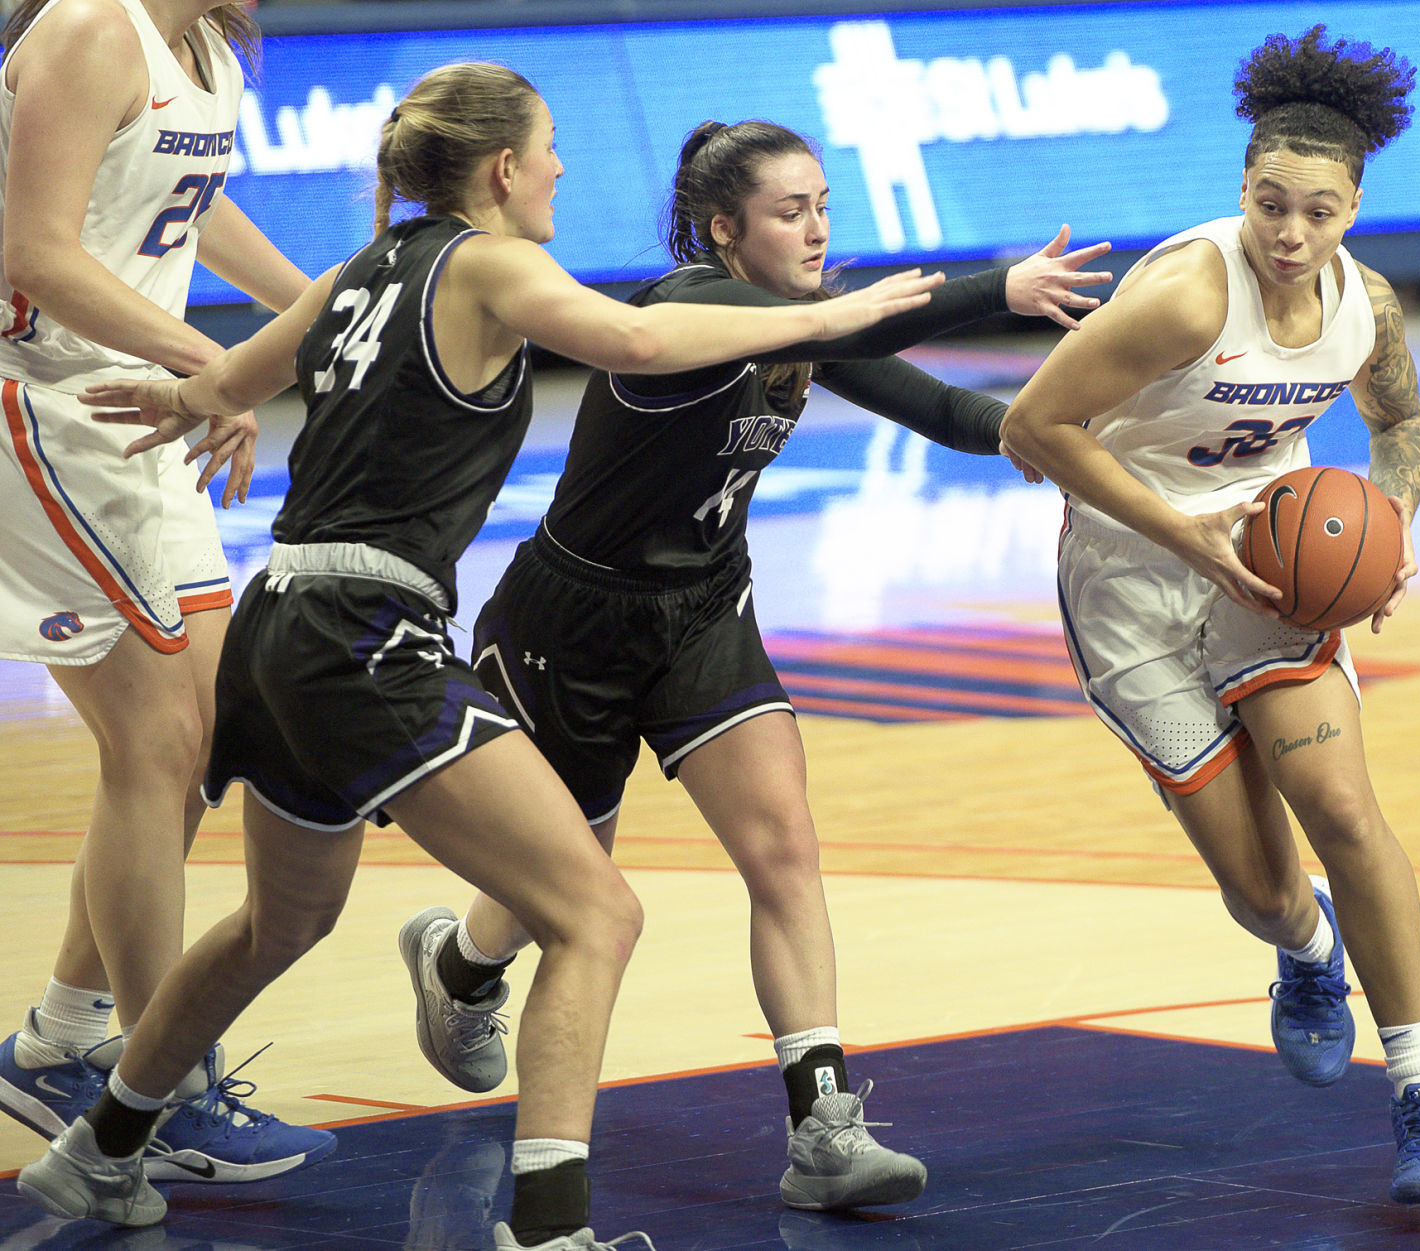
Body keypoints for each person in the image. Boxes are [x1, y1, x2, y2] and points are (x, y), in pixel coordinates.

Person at [15, 63, 946, 1251]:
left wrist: (194, 398)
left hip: (277, 622)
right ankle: (549, 1231)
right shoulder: (491, 260)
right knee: (596, 914)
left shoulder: (359, 271)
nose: (560, 165)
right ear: (501, 167)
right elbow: (636, 335)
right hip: (368, 635)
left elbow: (227, 380)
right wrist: (826, 315)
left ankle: (98, 1150)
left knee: (274, 927)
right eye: (550, 145)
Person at [396, 117, 1111, 1213]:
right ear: (725, 230)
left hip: (702, 611)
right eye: (792, 211)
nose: (819, 229)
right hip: (570, 626)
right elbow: (889, 320)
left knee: (783, 843)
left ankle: (822, 1131)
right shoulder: (687, 308)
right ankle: (459, 965)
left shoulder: (810, 324)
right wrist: (1002, 285)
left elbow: (957, 413)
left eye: (826, 205)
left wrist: (1067, 433)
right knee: (566, 892)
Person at [999, 27, 1420, 1205]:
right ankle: (1306, 951)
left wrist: (1393, 525)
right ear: (1243, 189)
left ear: (1355, 204)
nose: (1290, 235)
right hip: (1134, 579)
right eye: (1272, 205)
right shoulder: (1181, 301)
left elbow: (1401, 429)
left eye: (1318, 212)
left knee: (1347, 813)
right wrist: (1185, 537)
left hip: (1273, 565)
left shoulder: (1368, 307)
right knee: (1263, 890)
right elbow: (1031, 430)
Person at [0, 0, 337, 1181]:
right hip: (42, 404)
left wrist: (316, 315)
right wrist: (214, 360)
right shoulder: (93, 29)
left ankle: (63, 1042)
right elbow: (31, 252)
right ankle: (156, 1084)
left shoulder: (205, 44)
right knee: (157, 742)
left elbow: (193, 206)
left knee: (194, 746)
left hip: (140, 407)